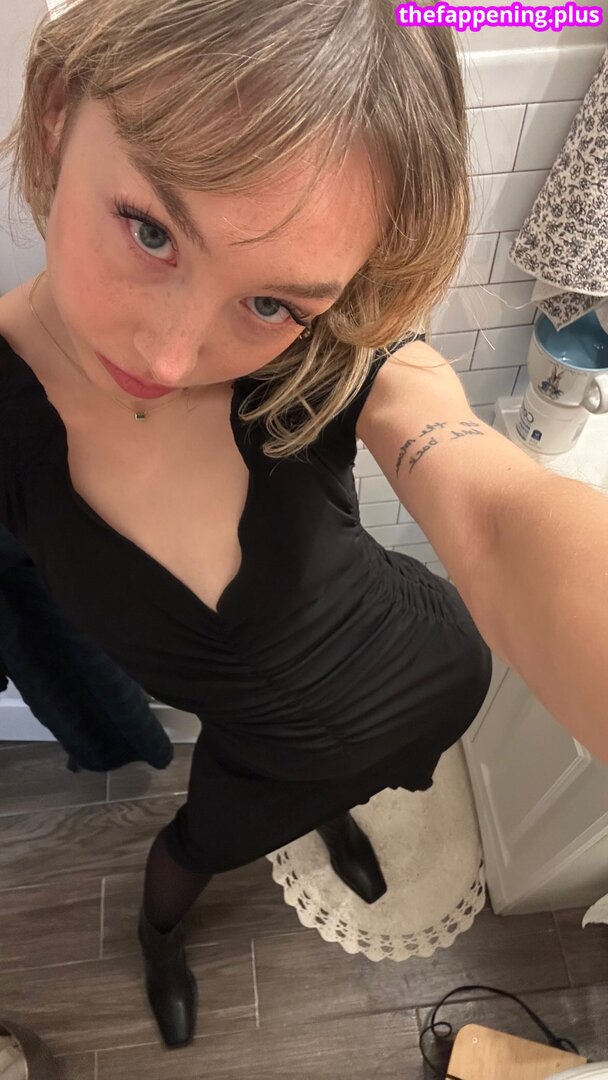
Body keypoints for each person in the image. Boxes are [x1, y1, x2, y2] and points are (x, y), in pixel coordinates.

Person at [1, 0, 602, 1054]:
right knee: (196, 849)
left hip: (426, 676)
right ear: (57, 111)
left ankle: (335, 810)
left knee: (343, 776)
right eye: (151, 230)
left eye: (274, 302)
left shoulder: (328, 351)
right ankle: (158, 942)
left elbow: (493, 513)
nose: (173, 356)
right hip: (259, 751)